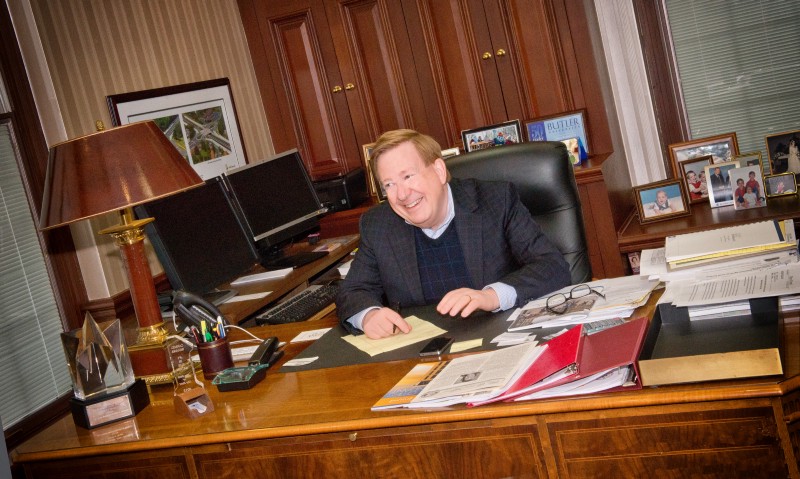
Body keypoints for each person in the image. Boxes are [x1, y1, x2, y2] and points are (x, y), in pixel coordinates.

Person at [336, 129, 571, 339]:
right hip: (424, 353)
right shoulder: (378, 224)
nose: (402, 194)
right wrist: (369, 316)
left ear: (438, 170)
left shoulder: (495, 201)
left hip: (502, 337)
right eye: (389, 184)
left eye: (408, 176)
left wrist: (491, 296)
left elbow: (551, 265)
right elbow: (353, 291)